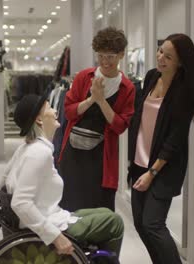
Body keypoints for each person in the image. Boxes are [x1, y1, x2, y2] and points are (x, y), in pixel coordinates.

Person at [0, 93, 124, 262]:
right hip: (47, 225)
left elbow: (1, 184)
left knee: (104, 212)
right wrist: (55, 236)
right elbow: (20, 203)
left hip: (46, 216)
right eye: (49, 108)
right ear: (39, 120)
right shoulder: (38, 153)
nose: (56, 111)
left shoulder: (26, 148)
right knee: (114, 222)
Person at [127, 33, 194, 264]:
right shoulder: (152, 76)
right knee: (140, 223)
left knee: (152, 223)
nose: (160, 57)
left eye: (168, 56)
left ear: (181, 62)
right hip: (138, 162)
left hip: (163, 167)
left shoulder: (185, 91)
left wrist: (152, 172)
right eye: (160, 51)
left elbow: (175, 139)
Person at [58, 27, 135, 212]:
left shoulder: (127, 87)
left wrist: (101, 101)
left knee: (100, 208)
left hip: (102, 157)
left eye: (110, 56)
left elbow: (120, 126)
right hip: (74, 153)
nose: (105, 62)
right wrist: (91, 99)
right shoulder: (84, 77)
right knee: (71, 206)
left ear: (121, 55)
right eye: (100, 56)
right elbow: (69, 112)